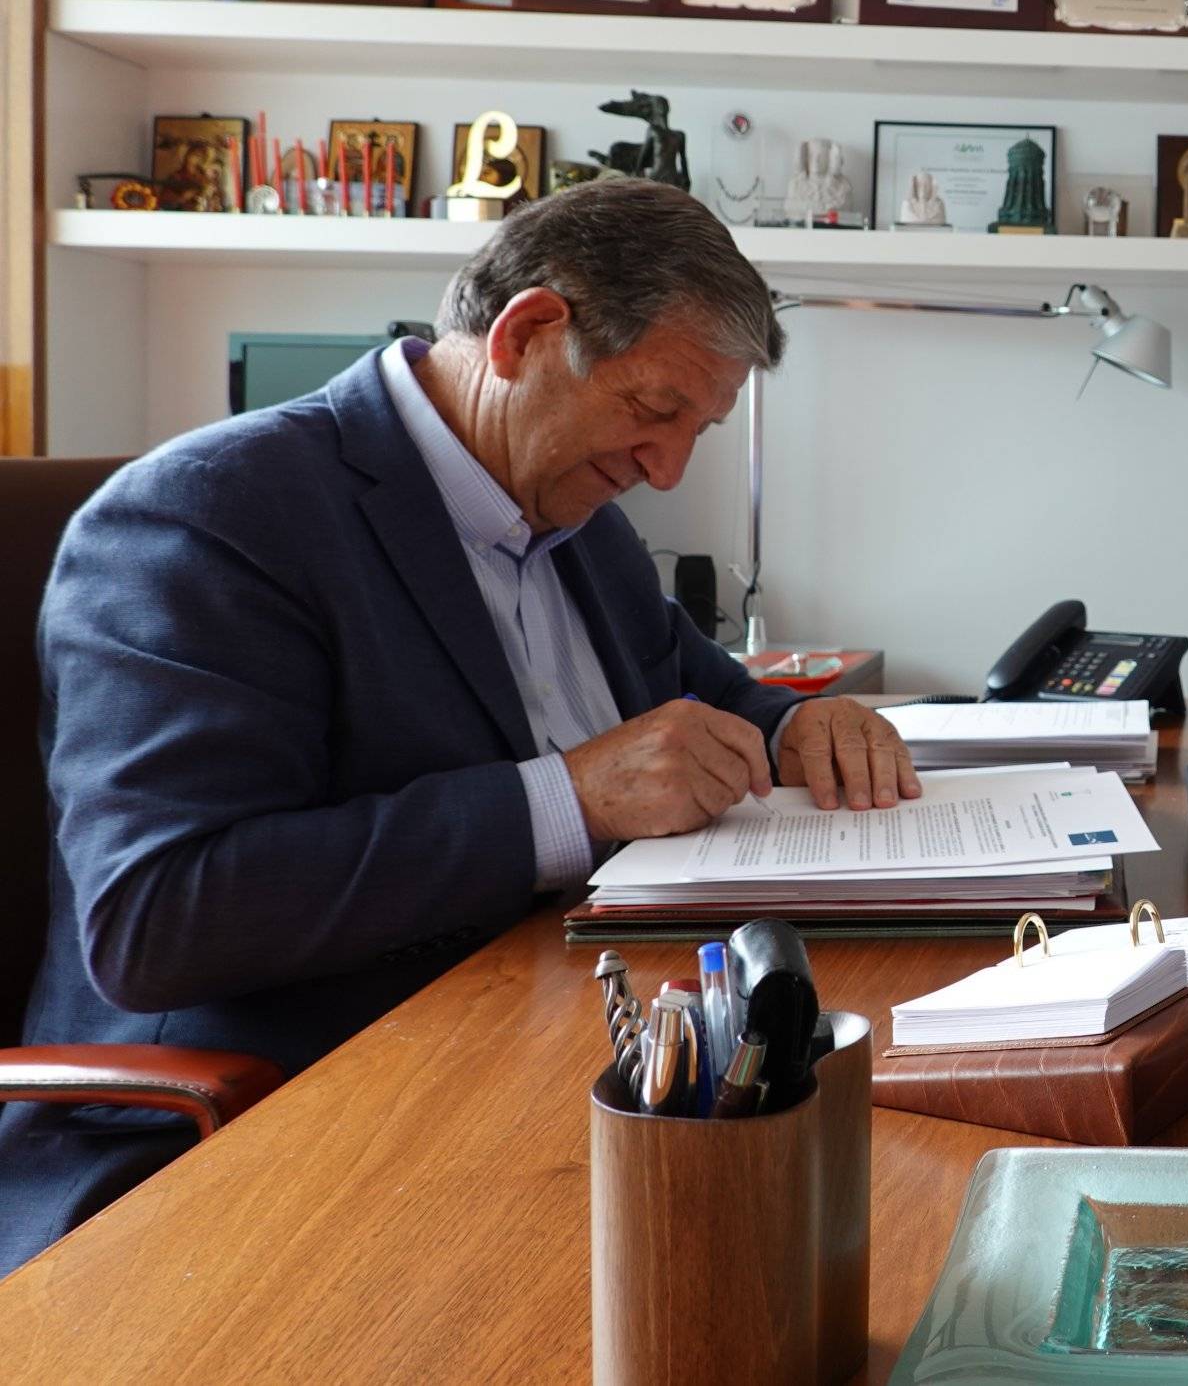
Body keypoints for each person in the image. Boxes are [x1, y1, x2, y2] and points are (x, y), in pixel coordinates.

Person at [0, 180, 920, 1275]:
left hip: (543, 1049)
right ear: (529, 333)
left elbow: (703, 698)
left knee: (867, 1211)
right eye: (653, 411)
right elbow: (159, 916)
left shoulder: (579, 522)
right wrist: (569, 800)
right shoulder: (208, 517)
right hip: (273, 1133)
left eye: (698, 431)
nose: (667, 469)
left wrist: (804, 728)